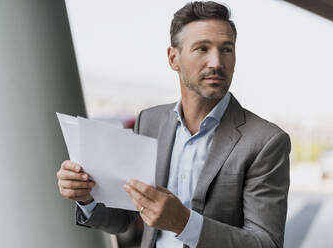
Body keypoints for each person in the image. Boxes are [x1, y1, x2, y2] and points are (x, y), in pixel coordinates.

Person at [56, 1, 291, 248]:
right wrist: (87, 199)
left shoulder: (265, 141)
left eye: (226, 50)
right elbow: (124, 219)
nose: (217, 63)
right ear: (173, 58)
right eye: (202, 49)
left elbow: (266, 243)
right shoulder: (149, 121)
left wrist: (185, 223)